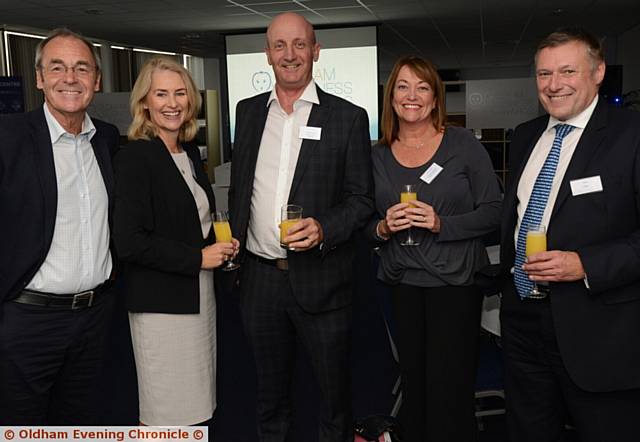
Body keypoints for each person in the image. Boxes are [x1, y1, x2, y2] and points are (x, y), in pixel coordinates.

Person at [228, 12, 374, 442]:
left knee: (333, 398)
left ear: (316, 51)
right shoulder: (248, 113)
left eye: (298, 44)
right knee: (269, 396)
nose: (289, 55)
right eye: (279, 45)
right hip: (259, 281)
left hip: (323, 282)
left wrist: (325, 228)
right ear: (267, 54)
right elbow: (241, 190)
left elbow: (362, 201)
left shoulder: (347, 117)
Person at [499, 27, 640, 442]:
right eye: (543, 74)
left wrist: (585, 265)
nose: (553, 85)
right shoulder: (525, 135)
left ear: (597, 72)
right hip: (523, 320)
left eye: (567, 71)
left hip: (598, 328)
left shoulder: (631, 135)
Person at [367, 55, 502, 441]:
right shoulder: (376, 155)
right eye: (403, 86)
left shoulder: (461, 144)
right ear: (391, 96)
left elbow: (495, 211)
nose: (412, 96)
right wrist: (381, 226)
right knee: (415, 386)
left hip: (455, 285)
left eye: (422, 87)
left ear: (435, 97)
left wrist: (443, 224)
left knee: (450, 388)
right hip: (403, 283)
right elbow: (362, 222)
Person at [0, 28, 119, 424]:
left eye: (81, 68)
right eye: (58, 67)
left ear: (96, 80)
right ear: (39, 78)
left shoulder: (107, 139)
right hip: (27, 321)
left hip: (95, 319)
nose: (70, 78)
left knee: (82, 421)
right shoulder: (8, 138)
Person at [113, 57, 237, 426]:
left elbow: (189, 222)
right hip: (161, 307)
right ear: (144, 103)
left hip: (198, 298)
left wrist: (223, 244)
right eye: (161, 93)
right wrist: (200, 258)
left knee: (197, 406)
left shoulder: (189, 154)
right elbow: (130, 242)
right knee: (167, 411)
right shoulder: (135, 156)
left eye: (180, 93)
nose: (172, 102)